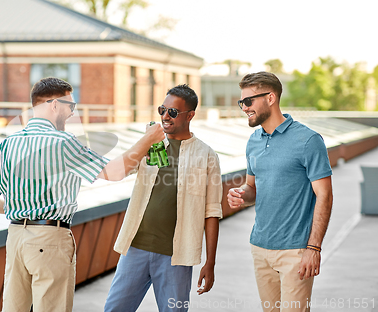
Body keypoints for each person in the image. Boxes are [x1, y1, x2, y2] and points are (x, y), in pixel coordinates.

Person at [0, 77, 164, 312]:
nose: (72, 113)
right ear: (54, 104)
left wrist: (18, 209)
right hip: (50, 239)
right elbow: (113, 172)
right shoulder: (63, 142)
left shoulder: (8, 144)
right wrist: (149, 139)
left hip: (16, 239)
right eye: (70, 106)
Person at [104, 84, 223, 312]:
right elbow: (118, 171)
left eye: (173, 112)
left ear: (190, 116)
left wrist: (210, 262)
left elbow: (212, 211)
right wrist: (143, 143)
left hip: (176, 257)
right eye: (162, 109)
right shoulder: (150, 144)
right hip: (135, 249)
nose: (165, 117)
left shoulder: (207, 156)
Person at [227, 72, 333, 312]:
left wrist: (313, 248)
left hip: (295, 251)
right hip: (260, 247)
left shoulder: (308, 140)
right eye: (241, 102)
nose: (244, 108)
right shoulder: (253, 140)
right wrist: (242, 194)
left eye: (248, 101)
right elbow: (252, 187)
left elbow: (324, 195)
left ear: (271, 98)